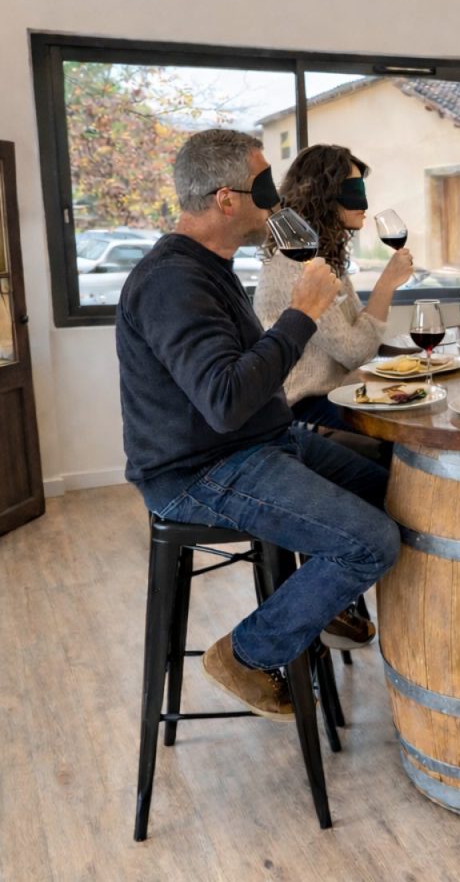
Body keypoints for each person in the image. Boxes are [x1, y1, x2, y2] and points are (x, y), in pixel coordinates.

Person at [116, 129, 400, 719]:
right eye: (264, 187)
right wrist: (303, 312)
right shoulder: (172, 281)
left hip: (260, 442)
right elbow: (225, 399)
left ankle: (327, 607)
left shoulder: (211, 267)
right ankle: (248, 655)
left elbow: (243, 382)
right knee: (372, 540)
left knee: (401, 495)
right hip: (198, 471)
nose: (276, 201)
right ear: (226, 200)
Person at [253, 144, 414, 432]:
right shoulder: (296, 264)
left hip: (333, 394)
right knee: (403, 427)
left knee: (416, 400)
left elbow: (358, 337)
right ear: (324, 197)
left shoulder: (325, 258)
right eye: (353, 191)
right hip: (300, 408)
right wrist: (386, 284)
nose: (364, 204)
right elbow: (355, 352)